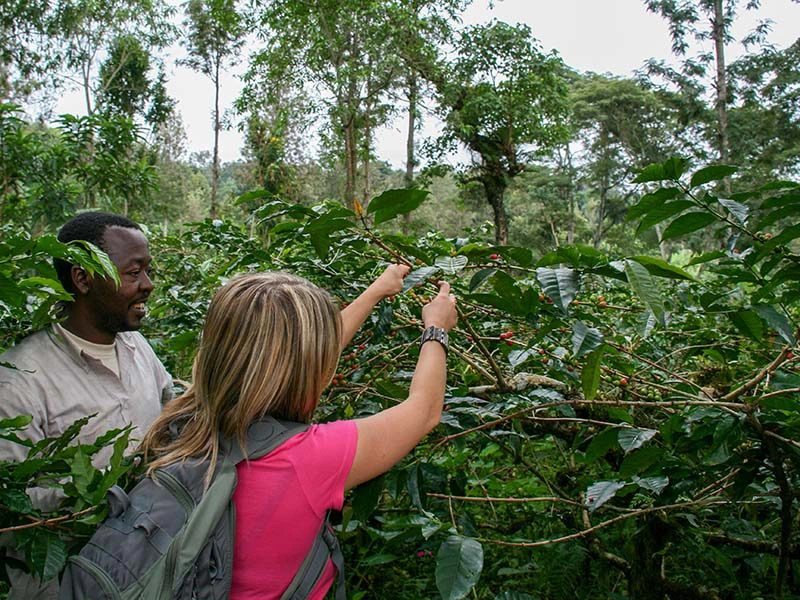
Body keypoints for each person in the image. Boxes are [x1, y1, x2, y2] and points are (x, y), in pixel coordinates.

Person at [139, 269, 457, 599]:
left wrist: (376, 290)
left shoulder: (186, 418)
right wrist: (437, 328)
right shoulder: (310, 459)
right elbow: (424, 411)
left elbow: (303, 357)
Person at [0, 212, 174, 598]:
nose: (148, 285)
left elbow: (171, 419)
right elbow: (13, 513)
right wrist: (111, 491)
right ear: (83, 279)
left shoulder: (136, 346)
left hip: (145, 573)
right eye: (134, 273)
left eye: (147, 271)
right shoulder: (21, 381)